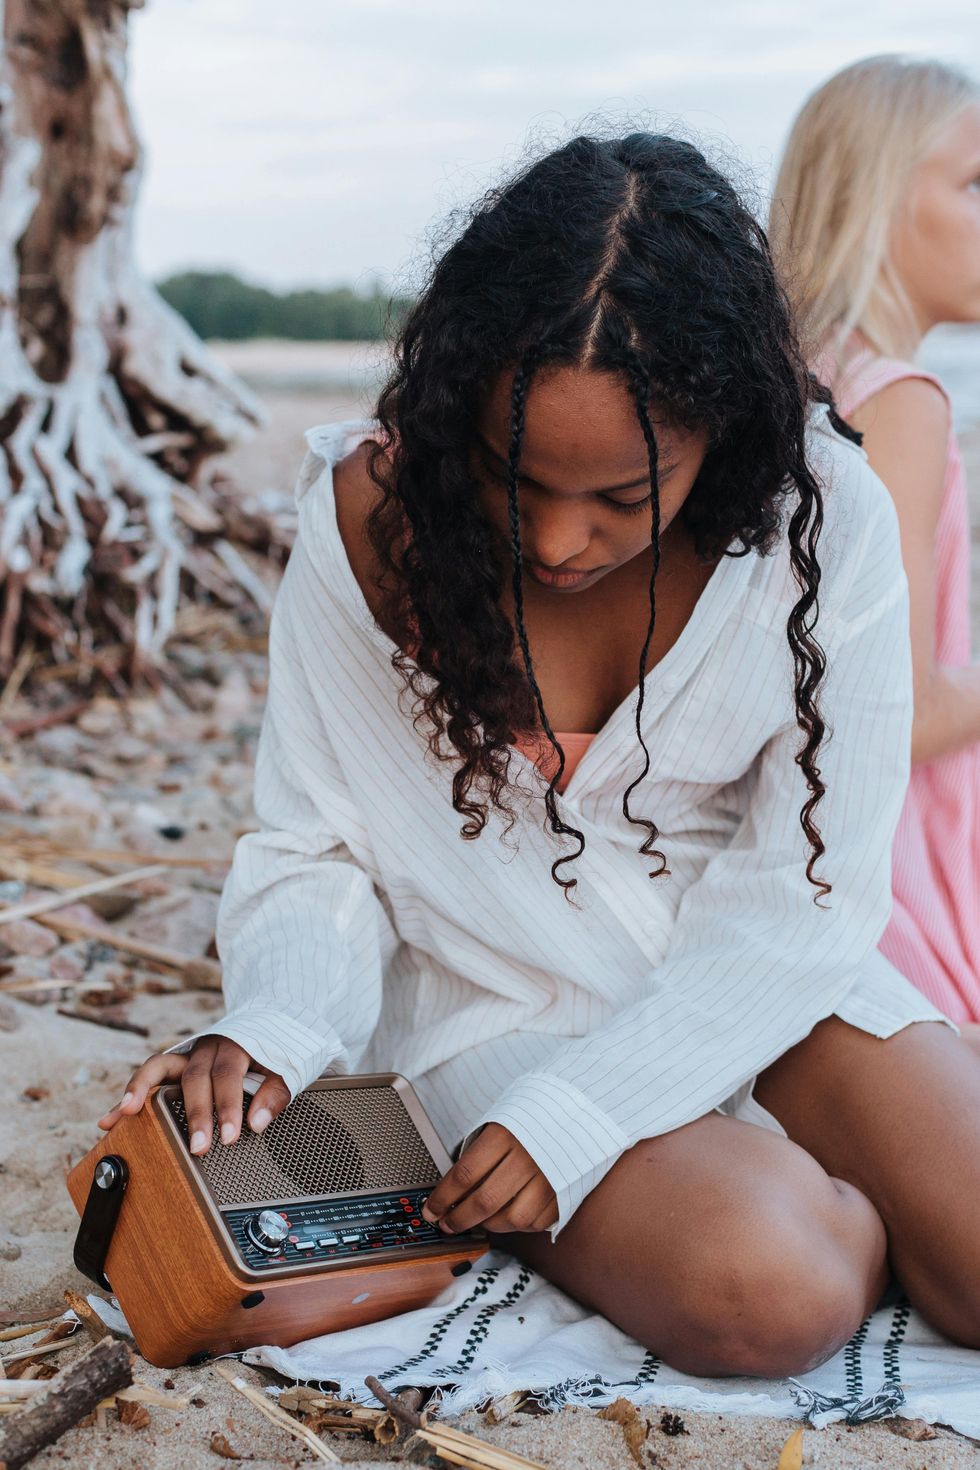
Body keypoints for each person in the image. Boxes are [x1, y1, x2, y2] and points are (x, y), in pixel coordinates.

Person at [98, 132, 980, 1377]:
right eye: (519, 482)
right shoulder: (378, 517)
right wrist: (281, 1023)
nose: (561, 541)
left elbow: (812, 886)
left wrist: (606, 1112)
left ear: (719, 436)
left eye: (625, 497)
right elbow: (317, 839)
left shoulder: (818, 518)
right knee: (773, 1294)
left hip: (755, 973)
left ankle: (812, 1173)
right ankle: (791, 1197)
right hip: (491, 1001)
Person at [770, 56, 980, 1025]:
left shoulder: (789, 379)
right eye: (974, 185)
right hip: (879, 877)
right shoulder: (894, 401)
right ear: (875, 201)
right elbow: (885, 719)